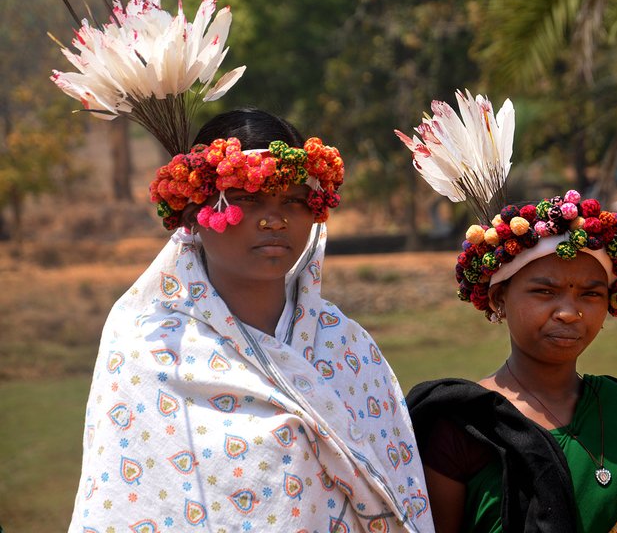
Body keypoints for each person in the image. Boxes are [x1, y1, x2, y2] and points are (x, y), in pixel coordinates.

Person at [67, 107, 433, 532]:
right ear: (192, 216)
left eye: (294, 200)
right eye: (248, 198)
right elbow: (123, 507)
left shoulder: (349, 348)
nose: (274, 219)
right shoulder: (149, 351)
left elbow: (403, 491)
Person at [396, 91, 617, 532]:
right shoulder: (461, 428)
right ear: (498, 299)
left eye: (591, 295)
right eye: (544, 291)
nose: (569, 312)